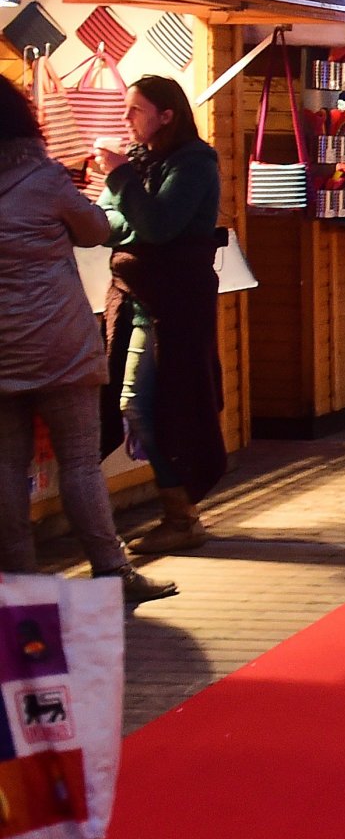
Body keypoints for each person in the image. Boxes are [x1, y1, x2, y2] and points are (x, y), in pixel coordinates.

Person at [0, 77, 174, 604]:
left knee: (6, 464)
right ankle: (111, 570)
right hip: (58, 343)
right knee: (78, 460)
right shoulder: (45, 179)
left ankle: (21, 579)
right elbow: (97, 229)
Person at [100, 75, 226, 558]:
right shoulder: (140, 162)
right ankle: (180, 514)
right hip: (136, 300)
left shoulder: (194, 163)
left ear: (166, 114)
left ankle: (182, 516)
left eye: (135, 110)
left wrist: (122, 183)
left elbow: (156, 225)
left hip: (174, 305)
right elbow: (110, 223)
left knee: (149, 404)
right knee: (135, 403)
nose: (126, 119)